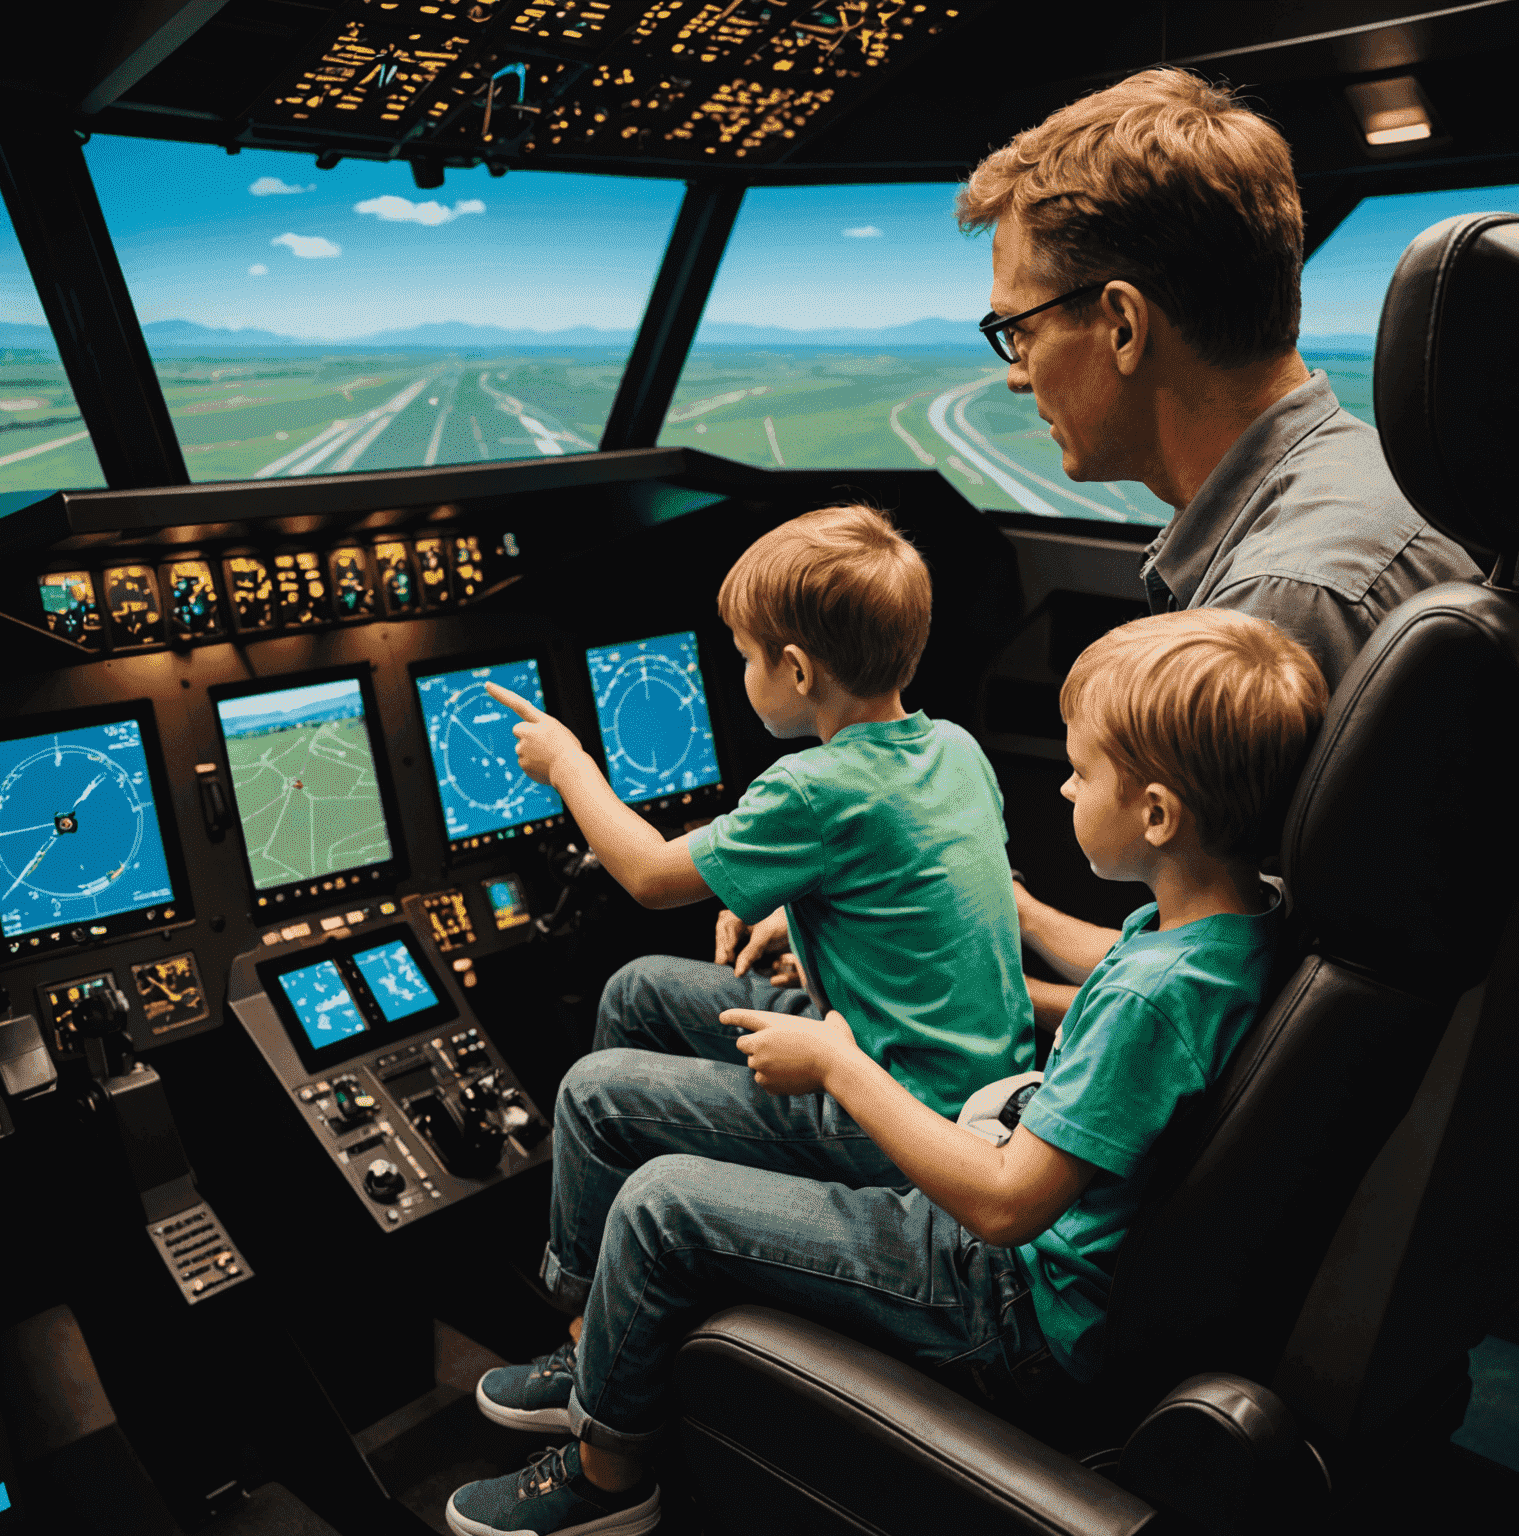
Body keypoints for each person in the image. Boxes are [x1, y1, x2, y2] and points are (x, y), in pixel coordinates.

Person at [445, 606, 1329, 1536]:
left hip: (1003, 1298)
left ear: (1155, 814)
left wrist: (838, 1064)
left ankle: (609, 1478)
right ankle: (600, 1350)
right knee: (644, 998)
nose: (1065, 790)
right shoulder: (1230, 931)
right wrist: (1003, 922)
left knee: (663, 1203)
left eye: (1081, 773)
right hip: (1020, 1231)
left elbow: (1002, 1205)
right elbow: (1122, 997)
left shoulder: (1152, 1001)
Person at [956, 66, 1480, 1020]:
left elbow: (1227, 1026)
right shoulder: (1365, 486)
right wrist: (1005, 918)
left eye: (1017, 329)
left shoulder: (1284, 603)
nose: (1016, 375)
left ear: (1121, 323)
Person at [482, 504, 1035, 1315]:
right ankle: (642, 1259)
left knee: (592, 1095)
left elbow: (645, 875)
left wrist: (568, 765)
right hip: (975, 1085)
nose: (739, 673)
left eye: (744, 657)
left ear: (799, 672)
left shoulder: (810, 787)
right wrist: (795, 915)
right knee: (638, 988)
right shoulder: (953, 745)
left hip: (899, 1118)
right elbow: (900, 888)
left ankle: (576, 1310)